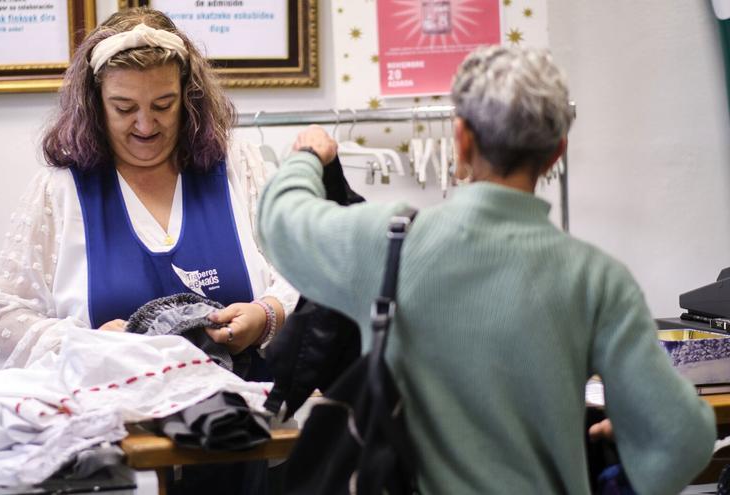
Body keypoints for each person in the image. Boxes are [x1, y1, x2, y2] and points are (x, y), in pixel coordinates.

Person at [257, 45, 716, 495]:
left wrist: (307, 155)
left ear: (461, 139)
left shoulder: (385, 244)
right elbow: (684, 438)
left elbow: (277, 217)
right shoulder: (598, 280)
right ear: (556, 152)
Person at [0, 7, 297, 493]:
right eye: (125, 108)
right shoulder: (60, 193)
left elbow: (304, 278)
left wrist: (267, 314)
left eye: (163, 105)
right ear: (94, 103)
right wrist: (86, 344)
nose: (146, 125)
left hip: (239, 448)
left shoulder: (238, 170)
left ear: (189, 98)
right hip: (114, 463)